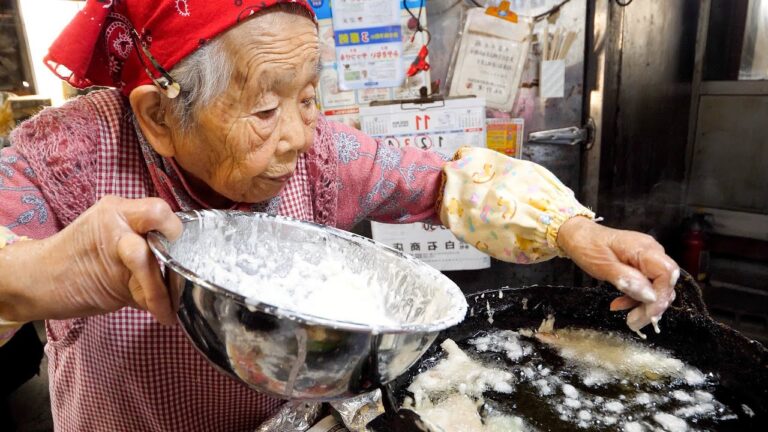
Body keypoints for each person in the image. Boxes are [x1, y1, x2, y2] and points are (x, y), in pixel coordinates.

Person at [0, 1, 678, 430]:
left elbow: (445, 184)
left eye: (310, 96)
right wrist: (40, 275)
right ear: (157, 113)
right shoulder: (65, 157)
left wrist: (576, 230)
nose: (298, 134)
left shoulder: (322, 156)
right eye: (265, 110)